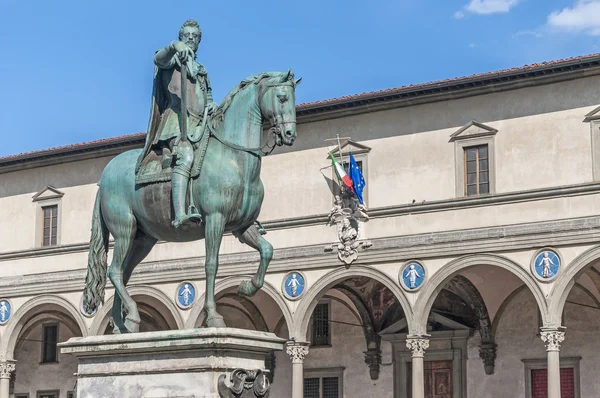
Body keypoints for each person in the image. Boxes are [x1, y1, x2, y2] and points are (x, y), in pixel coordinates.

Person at [136, 19, 219, 228]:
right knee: (186, 156)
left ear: (199, 41)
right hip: (176, 124)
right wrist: (175, 46)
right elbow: (157, 59)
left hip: (200, 125)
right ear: (181, 37)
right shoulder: (173, 58)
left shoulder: (201, 69)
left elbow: (207, 96)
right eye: (187, 36)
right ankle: (179, 214)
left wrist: (213, 106)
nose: (191, 39)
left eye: (195, 36)